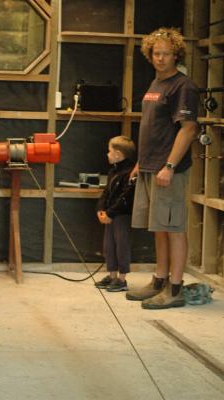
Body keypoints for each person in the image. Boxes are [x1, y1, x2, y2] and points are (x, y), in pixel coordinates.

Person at [126, 27, 199, 309]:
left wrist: (169, 165)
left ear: (176, 54)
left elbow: (188, 129)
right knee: (159, 227)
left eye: (166, 53)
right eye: (156, 53)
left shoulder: (183, 86)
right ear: (150, 54)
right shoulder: (156, 84)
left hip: (169, 170)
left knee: (174, 227)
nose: (160, 58)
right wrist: (139, 163)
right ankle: (159, 280)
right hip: (149, 166)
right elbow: (152, 129)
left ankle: (175, 289)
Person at [95, 135, 136, 292]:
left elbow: (126, 195)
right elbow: (106, 193)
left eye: (109, 151)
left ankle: (122, 279)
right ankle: (112, 275)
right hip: (110, 216)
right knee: (109, 246)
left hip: (121, 216)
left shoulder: (129, 173)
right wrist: (101, 209)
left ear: (118, 154)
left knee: (121, 245)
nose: (107, 154)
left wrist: (111, 213)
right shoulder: (113, 172)